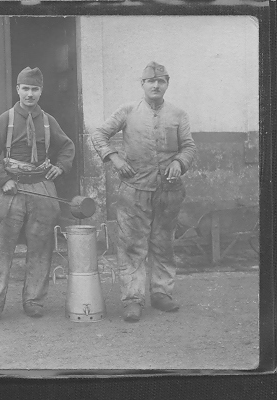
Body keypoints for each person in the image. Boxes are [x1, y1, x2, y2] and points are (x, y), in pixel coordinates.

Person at [90, 61, 197, 322]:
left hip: (169, 191)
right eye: (151, 81)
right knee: (131, 246)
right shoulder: (127, 111)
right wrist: (114, 159)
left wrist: (178, 162)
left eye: (161, 81)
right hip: (134, 190)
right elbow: (99, 135)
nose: (156, 85)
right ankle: (132, 299)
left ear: (167, 84)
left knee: (163, 243)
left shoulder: (178, 115)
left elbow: (189, 147)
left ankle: (161, 294)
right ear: (143, 84)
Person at [0, 67, 75, 325]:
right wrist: (4, 179)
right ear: (18, 89)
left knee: (42, 244)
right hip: (10, 187)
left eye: (35, 89)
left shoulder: (48, 121)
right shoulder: (6, 119)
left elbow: (67, 146)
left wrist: (61, 166)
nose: (30, 94)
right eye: (26, 88)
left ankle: (34, 300)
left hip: (42, 186)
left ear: (40, 91)